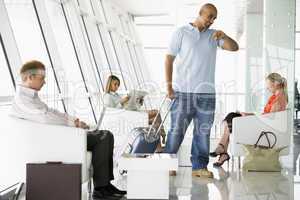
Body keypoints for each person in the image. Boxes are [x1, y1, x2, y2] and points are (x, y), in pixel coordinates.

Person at [10, 60, 126, 200]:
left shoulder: (31, 98)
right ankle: (101, 188)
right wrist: (73, 124)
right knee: (103, 136)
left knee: (106, 135)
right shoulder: (23, 100)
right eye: (42, 78)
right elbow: (46, 118)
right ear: (30, 77)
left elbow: (51, 112)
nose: (45, 82)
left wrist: (74, 121)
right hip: (59, 140)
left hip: (61, 136)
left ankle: (105, 185)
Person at [164, 3, 239, 178]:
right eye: (209, 16)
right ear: (200, 13)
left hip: (207, 94)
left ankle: (199, 167)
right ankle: (168, 163)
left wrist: (225, 35)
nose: (211, 21)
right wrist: (168, 86)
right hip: (183, 92)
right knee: (176, 130)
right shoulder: (181, 32)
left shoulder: (214, 35)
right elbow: (168, 59)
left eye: (214, 18)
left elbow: (234, 47)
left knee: (203, 132)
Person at [210, 72, 288, 167]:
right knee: (231, 117)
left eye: (268, 85)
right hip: (261, 124)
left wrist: (249, 117)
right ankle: (223, 152)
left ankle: (222, 149)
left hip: (263, 128)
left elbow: (267, 120)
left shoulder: (278, 100)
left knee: (231, 117)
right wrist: (247, 114)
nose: (267, 88)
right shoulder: (276, 97)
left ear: (275, 84)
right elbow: (266, 116)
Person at [103, 75, 166, 152]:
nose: (117, 87)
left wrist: (138, 102)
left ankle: (158, 146)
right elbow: (112, 113)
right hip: (127, 117)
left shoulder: (116, 95)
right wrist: (122, 103)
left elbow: (129, 106)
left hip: (131, 113)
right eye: (115, 84)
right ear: (109, 84)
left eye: (118, 85)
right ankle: (163, 135)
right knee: (156, 113)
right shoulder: (108, 97)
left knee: (155, 119)